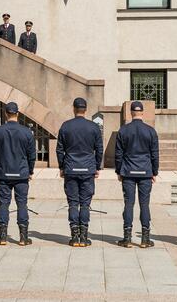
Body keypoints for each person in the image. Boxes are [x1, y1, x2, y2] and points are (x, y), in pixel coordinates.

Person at [57, 97, 103, 247]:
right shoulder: (94, 127)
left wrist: (61, 167)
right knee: (84, 204)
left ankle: (74, 237)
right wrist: (97, 166)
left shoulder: (66, 126)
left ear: (73, 108)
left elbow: (60, 149)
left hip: (70, 168)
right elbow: (99, 149)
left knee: (72, 203)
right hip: (88, 168)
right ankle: (84, 237)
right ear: (86, 109)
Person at [0, 102, 36, 246]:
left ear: (5, 114)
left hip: (3, 173)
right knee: (22, 204)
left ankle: (2, 237)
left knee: (4, 204)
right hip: (21, 173)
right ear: (18, 113)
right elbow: (32, 155)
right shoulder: (27, 132)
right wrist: (30, 170)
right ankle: (23, 237)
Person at [115, 101, 159, 248]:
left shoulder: (123, 130)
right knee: (144, 205)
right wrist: (155, 171)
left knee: (129, 204)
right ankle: (145, 238)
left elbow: (118, 154)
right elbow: (155, 154)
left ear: (131, 112)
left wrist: (119, 170)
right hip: (145, 171)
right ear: (142, 112)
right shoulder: (151, 131)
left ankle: (127, 238)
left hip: (128, 171)